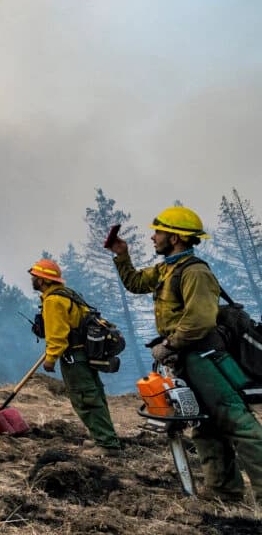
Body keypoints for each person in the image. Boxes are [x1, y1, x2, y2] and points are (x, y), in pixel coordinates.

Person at [108, 205, 262, 503]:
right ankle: (223, 490)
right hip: (187, 359)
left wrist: (169, 345)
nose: (153, 238)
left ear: (175, 237)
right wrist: (121, 255)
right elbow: (137, 283)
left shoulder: (195, 272)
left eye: (158, 232)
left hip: (204, 357)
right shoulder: (168, 269)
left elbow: (200, 321)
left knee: (238, 423)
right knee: (204, 424)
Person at [28, 258, 122, 456]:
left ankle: (107, 445)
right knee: (94, 394)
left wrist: (51, 358)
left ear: (43, 280)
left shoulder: (53, 301)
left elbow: (58, 335)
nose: (33, 279)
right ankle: (104, 437)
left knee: (85, 399)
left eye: (35, 277)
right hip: (84, 354)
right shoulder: (67, 294)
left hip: (74, 356)